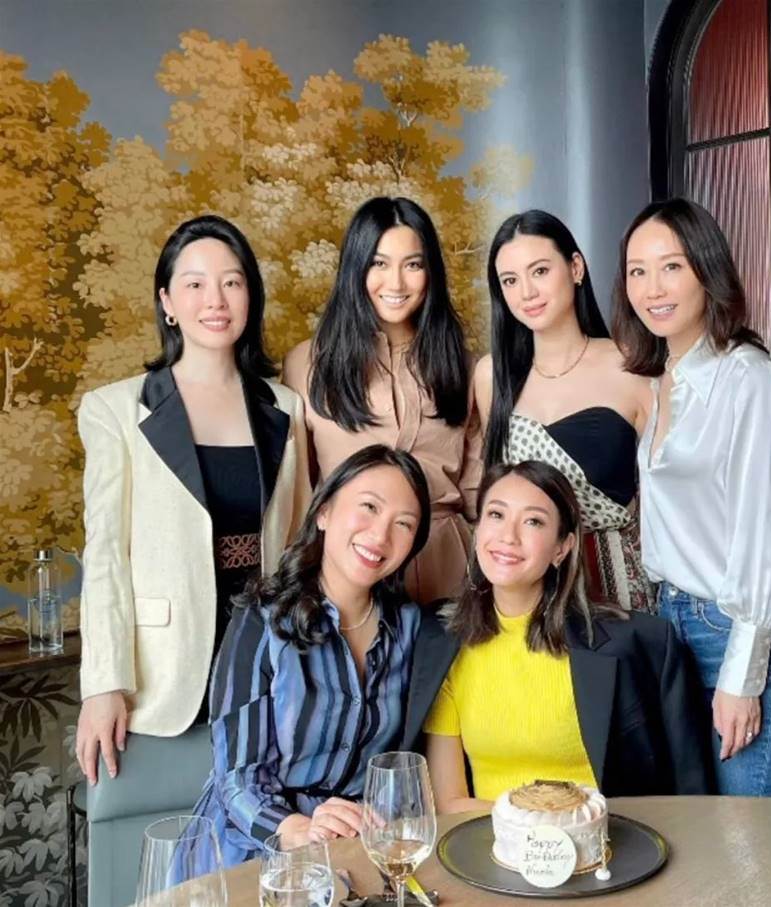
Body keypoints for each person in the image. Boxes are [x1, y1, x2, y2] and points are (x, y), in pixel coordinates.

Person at [75, 215, 310, 784]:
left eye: (232, 282)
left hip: (263, 660)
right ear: (168, 301)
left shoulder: (286, 407)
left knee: (259, 820)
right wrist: (104, 683)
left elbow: (297, 542)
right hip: (163, 671)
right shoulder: (115, 411)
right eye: (195, 283)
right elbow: (106, 556)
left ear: (250, 295)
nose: (216, 300)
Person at [611, 197, 771, 796]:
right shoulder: (662, 381)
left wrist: (743, 677)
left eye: (671, 267)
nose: (652, 288)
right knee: (695, 835)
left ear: (707, 271)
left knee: (741, 839)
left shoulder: (747, 377)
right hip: (673, 628)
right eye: (637, 271)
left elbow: (766, 540)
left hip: (746, 633)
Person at [402, 460, 712, 812]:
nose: (508, 536)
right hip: (489, 839)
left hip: (605, 837)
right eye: (496, 514)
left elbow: (686, 795)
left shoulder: (633, 643)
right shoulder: (443, 642)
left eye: (533, 521)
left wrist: (562, 827)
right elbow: (449, 802)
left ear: (562, 548)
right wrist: (532, 827)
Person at [186, 445, 429, 870]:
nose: (380, 535)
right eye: (369, 507)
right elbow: (236, 778)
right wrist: (296, 828)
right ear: (324, 512)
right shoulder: (261, 620)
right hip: (254, 842)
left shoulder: (411, 630)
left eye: (403, 524)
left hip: (354, 845)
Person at [283, 196, 481, 604]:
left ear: (431, 272)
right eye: (379, 263)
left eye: (413, 265)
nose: (396, 283)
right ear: (356, 268)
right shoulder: (307, 363)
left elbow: (478, 491)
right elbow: (300, 491)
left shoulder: (464, 366)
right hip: (350, 571)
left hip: (449, 569)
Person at [475, 210, 655, 611]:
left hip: (618, 588)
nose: (527, 292)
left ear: (575, 268)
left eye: (540, 271)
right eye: (510, 280)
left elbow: (671, 492)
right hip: (527, 591)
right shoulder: (492, 377)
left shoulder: (632, 366)